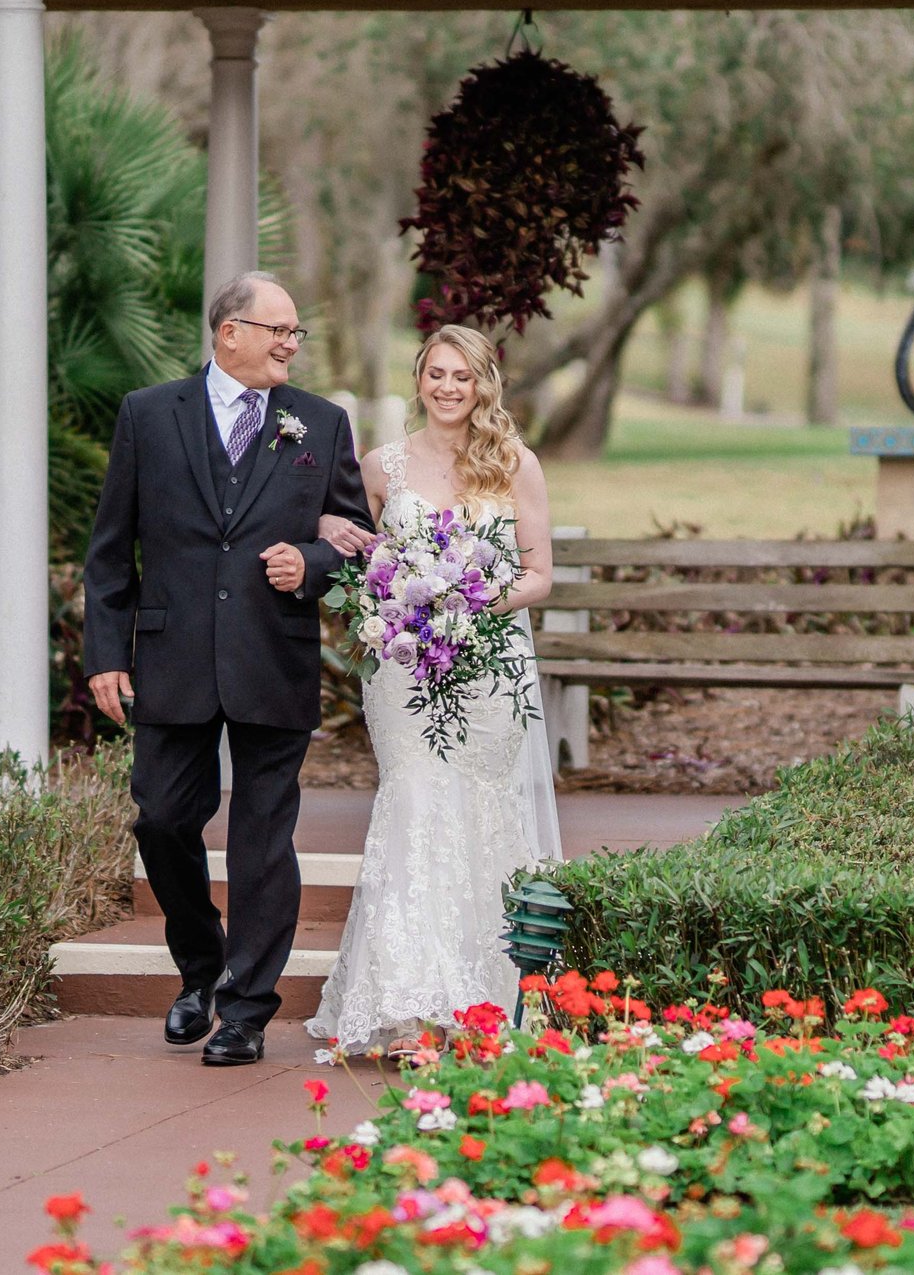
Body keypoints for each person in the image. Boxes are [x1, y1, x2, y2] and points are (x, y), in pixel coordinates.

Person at [82, 271, 373, 1067]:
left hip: (272, 654)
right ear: (228, 332)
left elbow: (357, 544)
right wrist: (106, 652)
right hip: (170, 653)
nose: (289, 343)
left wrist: (310, 562)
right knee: (163, 818)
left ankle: (246, 1008)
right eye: (275, 329)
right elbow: (111, 549)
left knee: (262, 840)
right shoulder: (148, 414)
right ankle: (201, 968)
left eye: (295, 333)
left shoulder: (320, 422)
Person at [307, 323, 562, 1056]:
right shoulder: (380, 464)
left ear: (484, 384)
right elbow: (350, 547)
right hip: (407, 668)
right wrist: (361, 565)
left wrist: (465, 602)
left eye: (463, 376)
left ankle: (484, 997)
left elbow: (538, 573)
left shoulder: (516, 463)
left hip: (488, 667)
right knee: (414, 805)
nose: (448, 388)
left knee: (480, 815)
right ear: (418, 379)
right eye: (436, 374)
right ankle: (409, 1003)